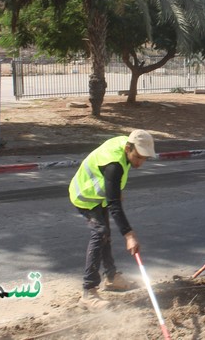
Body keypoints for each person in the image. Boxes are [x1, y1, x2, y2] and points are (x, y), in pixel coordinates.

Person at [69, 129, 157, 310]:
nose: (140, 163)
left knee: (105, 234)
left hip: (99, 195)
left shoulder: (127, 144)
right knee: (100, 233)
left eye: (144, 158)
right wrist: (129, 235)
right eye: (138, 157)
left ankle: (111, 277)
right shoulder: (114, 164)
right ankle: (88, 292)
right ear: (128, 148)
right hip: (85, 196)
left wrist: (114, 191)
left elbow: (113, 194)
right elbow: (114, 204)